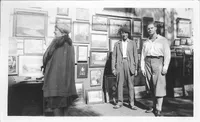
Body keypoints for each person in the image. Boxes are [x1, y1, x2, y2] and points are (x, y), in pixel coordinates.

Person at [41, 23, 77, 116]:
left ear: (62, 33)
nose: (54, 31)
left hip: (55, 84)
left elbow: (46, 58)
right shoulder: (70, 45)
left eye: (56, 30)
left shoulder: (56, 43)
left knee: (57, 109)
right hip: (66, 85)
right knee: (65, 109)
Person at [140, 22, 171, 116]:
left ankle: (158, 109)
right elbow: (142, 56)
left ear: (155, 28)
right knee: (151, 86)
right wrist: (142, 67)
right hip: (148, 63)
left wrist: (165, 67)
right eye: (148, 28)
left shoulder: (163, 40)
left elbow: (167, 55)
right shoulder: (146, 42)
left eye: (151, 28)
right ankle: (154, 106)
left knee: (159, 86)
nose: (150, 30)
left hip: (158, 62)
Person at [112, 26, 138, 110]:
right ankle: (120, 102)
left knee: (130, 85)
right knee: (119, 84)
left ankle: (132, 103)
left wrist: (136, 68)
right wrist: (113, 68)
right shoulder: (117, 44)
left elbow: (136, 56)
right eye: (123, 33)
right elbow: (113, 57)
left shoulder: (132, 43)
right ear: (121, 34)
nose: (124, 34)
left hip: (130, 65)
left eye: (126, 33)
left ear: (128, 34)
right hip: (120, 64)